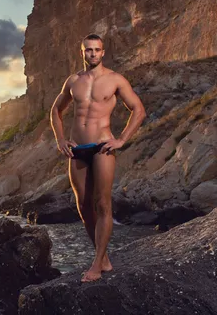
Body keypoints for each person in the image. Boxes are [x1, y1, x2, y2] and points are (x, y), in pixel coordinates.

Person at [49, 33, 146, 282]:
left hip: (103, 146)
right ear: (82, 52)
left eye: (97, 50)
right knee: (83, 205)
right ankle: (102, 257)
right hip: (77, 149)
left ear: (103, 52)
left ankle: (97, 264)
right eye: (88, 50)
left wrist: (122, 139)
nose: (93, 53)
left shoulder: (115, 79)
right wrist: (60, 139)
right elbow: (56, 110)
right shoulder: (73, 81)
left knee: (102, 204)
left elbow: (138, 109)